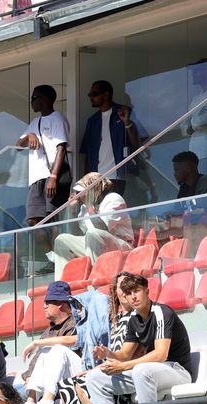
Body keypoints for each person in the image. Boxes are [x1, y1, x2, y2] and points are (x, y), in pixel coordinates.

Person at [86, 273, 194, 404]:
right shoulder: (134, 319)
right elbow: (125, 354)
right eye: (128, 293)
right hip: (150, 371)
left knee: (141, 370)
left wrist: (124, 366)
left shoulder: (161, 312)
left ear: (146, 291)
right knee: (94, 378)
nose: (133, 297)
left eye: (137, 291)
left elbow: (161, 354)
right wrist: (108, 353)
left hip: (178, 371)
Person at [17, 84, 71, 272]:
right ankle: (53, 258)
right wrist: (30, 134)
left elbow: (61, 148)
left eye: (34, 98)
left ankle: (62, 260)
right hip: (36, 178)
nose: (31, 102)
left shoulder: (57, 119)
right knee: (33, 220)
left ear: (44, 99)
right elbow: (18, 145)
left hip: (53, 175)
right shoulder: (34, 122)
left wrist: (53, 176)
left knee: (53, 218)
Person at [22, 281, 86, 404]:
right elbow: (39, 358)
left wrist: (36, 342)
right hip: (54, 378)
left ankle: (47, 401)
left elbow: (73, 341)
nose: (44, 307)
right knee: (8, 387)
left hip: (79, 374)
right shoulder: (48, 331)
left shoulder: (76, 322)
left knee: (57, 349)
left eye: (47, 303)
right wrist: (28, 376)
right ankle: (31, 401)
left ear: (59, 304)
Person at [52, 173, 135, 264]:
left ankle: (96, 275)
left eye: (82, 192)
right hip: (94, 244)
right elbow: (76, 233)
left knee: (93, 233)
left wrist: (89, 206)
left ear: (95, 189)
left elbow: (101, 228)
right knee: (62, 239)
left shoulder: (113, 198)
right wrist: (72, 210)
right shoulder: (85, 207)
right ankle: (62, 278)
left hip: (121, 245)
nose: (79, 195)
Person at [78, 80, 143, 195]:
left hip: (120, 176)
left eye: (94, 94)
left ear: (106, 94)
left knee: (115, 210)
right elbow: (88, 154)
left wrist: (127, 122)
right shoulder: (92, 121)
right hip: (96, 179)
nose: (91, 97)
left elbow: (136, 144)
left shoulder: (123, 112)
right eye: (90, 94)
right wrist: (86, 181)